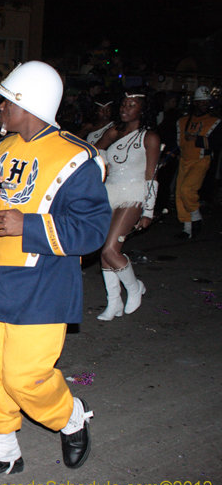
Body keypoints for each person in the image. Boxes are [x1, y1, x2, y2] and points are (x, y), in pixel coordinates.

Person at [0, 61, 111, 481]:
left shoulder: (77, 157)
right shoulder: (3, 151)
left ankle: (71, 417)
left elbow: (92, 230)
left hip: (45, 285)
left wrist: (28, 225)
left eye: (5, 100)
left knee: (25, 378)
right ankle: (3, 449)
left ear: (27, 105)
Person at [93, 91, 160, 320]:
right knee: (106, 251)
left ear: (142, 110)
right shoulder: (114, 131)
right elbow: (94, 149)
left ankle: (134, 287)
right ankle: (114, 303)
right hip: (109, 192)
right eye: (123, 104)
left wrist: (148, 210)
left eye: (132, 105)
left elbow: (151, 175)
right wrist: (103, 164)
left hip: (133, 193)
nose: (125, 108)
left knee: (109, 249)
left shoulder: (149, 137)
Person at [175, 86, 220, 239]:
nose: (205, 105)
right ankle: (187, 229)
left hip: (201, 160)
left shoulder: (214, 122)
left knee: (187, 189)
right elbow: (176, 142)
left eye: (207, 102)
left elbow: (218, 142)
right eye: (202, 102)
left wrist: (198, 140)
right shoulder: (183, 121)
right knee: (179, 194)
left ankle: (196, 215)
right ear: (195, 103)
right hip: (184, 160)